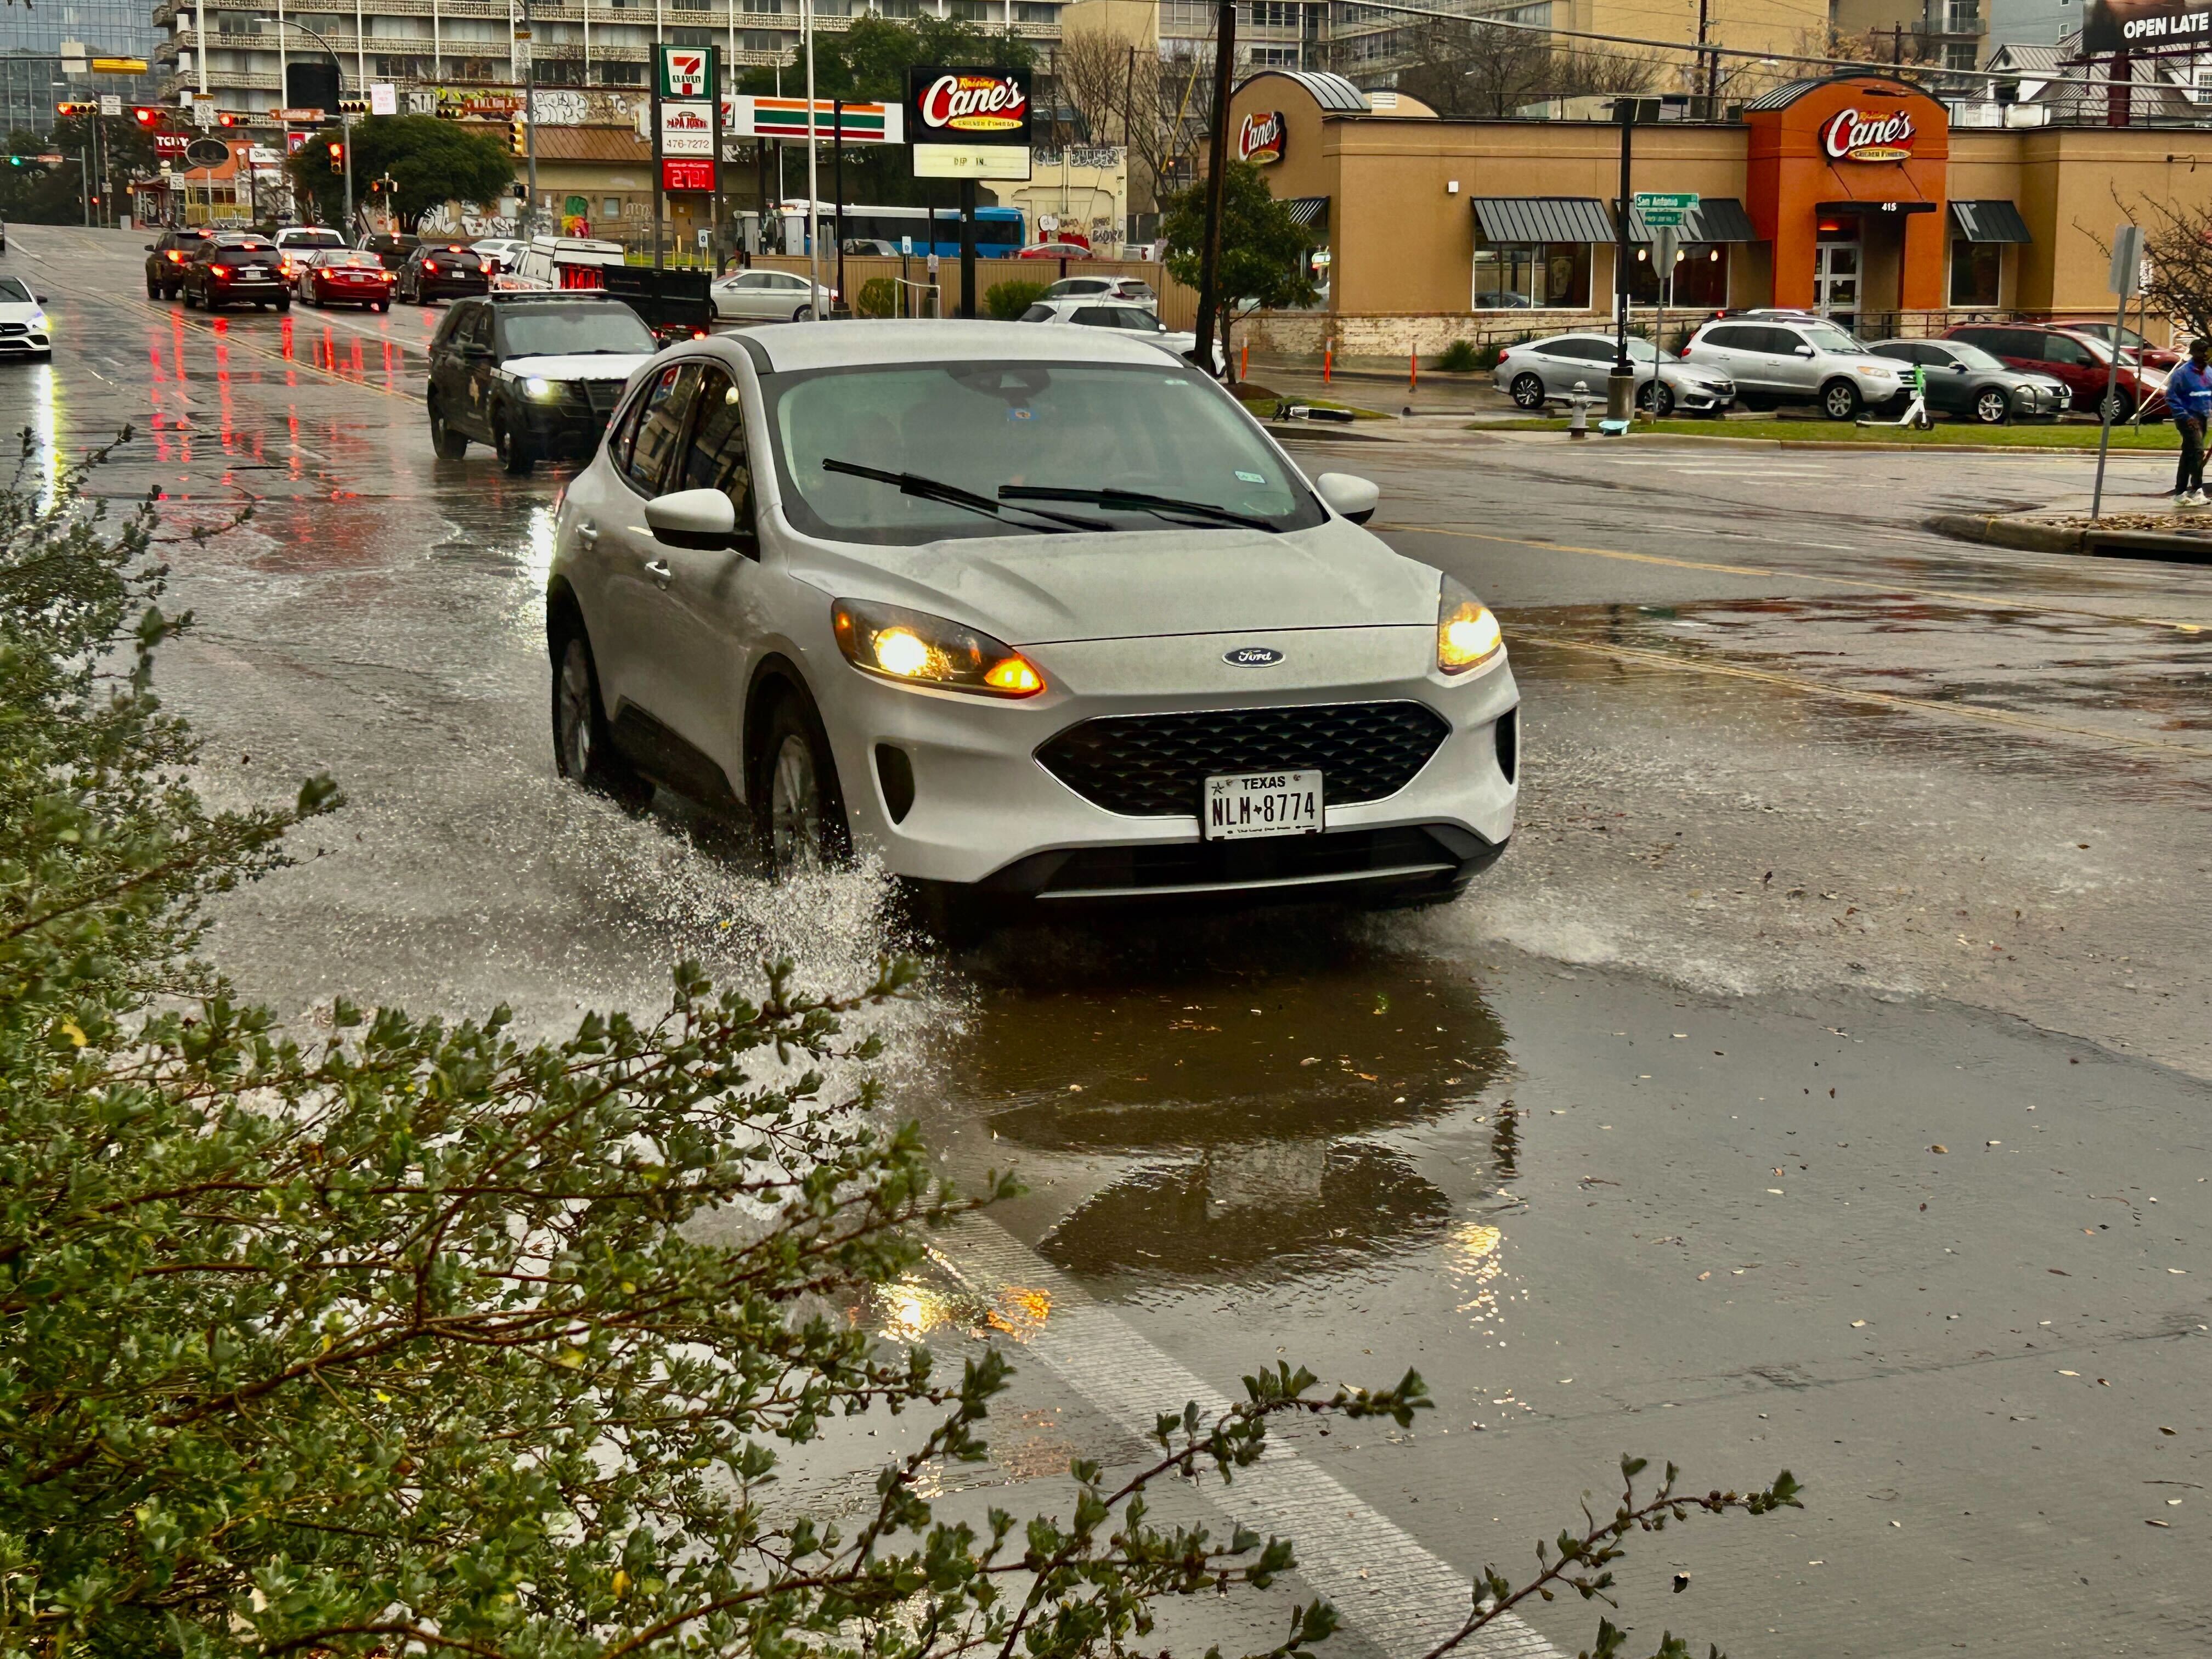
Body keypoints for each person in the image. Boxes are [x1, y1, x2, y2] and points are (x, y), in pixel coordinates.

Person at [2166, 336, 2212, 507]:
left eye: (2206, 352)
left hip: (2202, 417)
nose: (2205, 356)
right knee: (2198, 451)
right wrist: (2185, 416)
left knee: (2189, 453)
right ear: (2194, 354)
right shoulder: (2182, 373)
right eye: (2201, 353)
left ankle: (2180, 492)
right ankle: (2196, 489)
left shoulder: (2209, 373)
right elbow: (2171, 397)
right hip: (2186, 418)